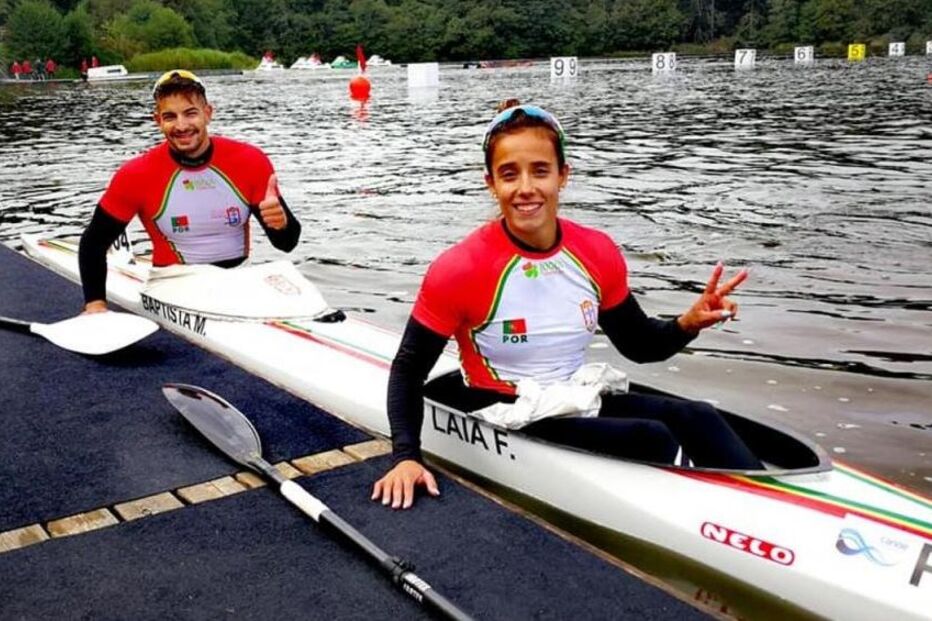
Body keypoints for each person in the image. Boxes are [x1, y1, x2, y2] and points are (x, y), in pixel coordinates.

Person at [372, 101, 764, 509]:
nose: (526, 188)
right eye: (510, 174)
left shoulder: (596, 251)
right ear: (491, 183)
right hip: (501, 409)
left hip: (570, 396)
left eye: (540, 171)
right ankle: (729, 519)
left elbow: (639, 345)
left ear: (563, 176)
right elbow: (408, 371)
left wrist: (688, 323)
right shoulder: (460, 268)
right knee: (650, 437)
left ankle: (772, 510)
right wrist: (406, 456)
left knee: (698, 415)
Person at [78, 69, 301, 313]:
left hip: (235, 279)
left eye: (190, 113)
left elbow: (287, 244)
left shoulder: (250, 161)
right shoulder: (135, 174)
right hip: (171, 283)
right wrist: (96, 305)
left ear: (208, 113)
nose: (181, 125)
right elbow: (93, 244)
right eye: (170, 117)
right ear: (158, 120)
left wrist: (281, 224)